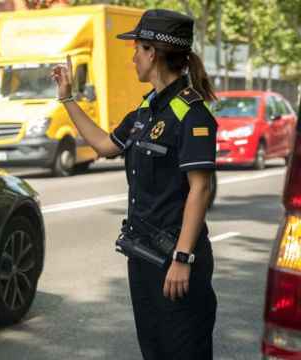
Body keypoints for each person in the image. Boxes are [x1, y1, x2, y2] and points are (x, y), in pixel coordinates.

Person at [51, 9, 218, 360]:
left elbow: (200, 189)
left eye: (136, 50)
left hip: (176, 259)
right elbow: (103, 145)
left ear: (152, 53)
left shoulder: (192, 114)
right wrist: (67, 99)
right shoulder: (146, 111)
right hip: (142, 257)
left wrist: (183, 258)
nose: (132, 59)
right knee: (153, 351)